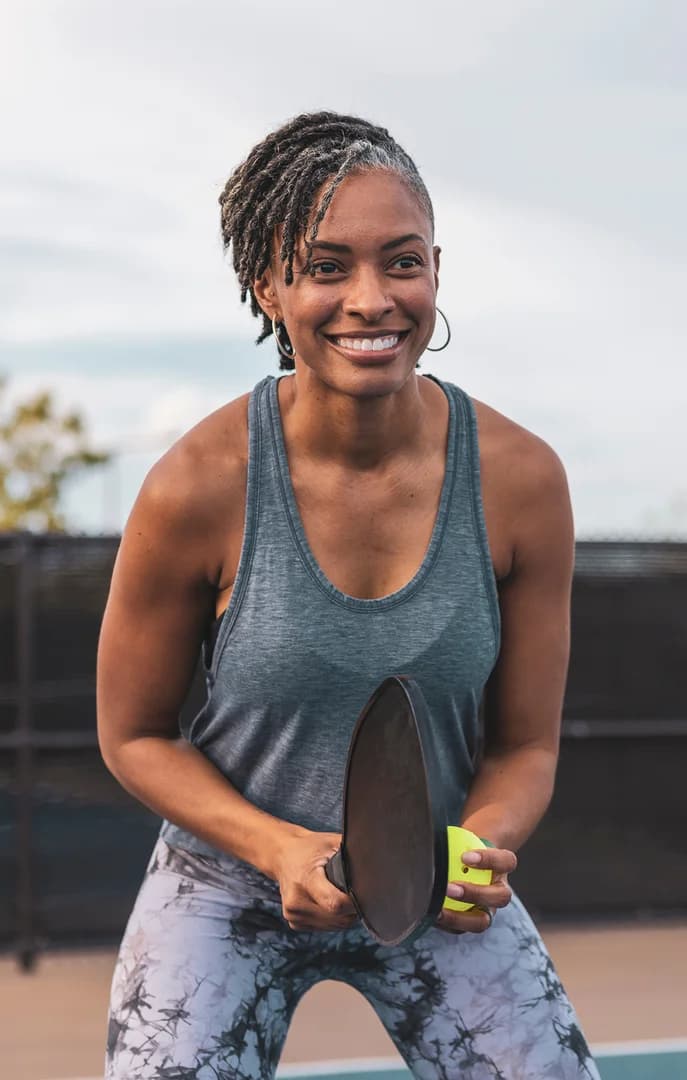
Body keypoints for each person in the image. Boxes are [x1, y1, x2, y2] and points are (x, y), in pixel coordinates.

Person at [98, 111, 600, 1079]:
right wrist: (280, 849)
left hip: (429, 877)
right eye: (326, 267)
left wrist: (476, 846)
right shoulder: (196, 484)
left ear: (437, 271)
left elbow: (527, 745)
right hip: (227, 885)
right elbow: (134, 737)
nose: (370, 299)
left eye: (400, 262)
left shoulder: (523, 480)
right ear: (269, 285)